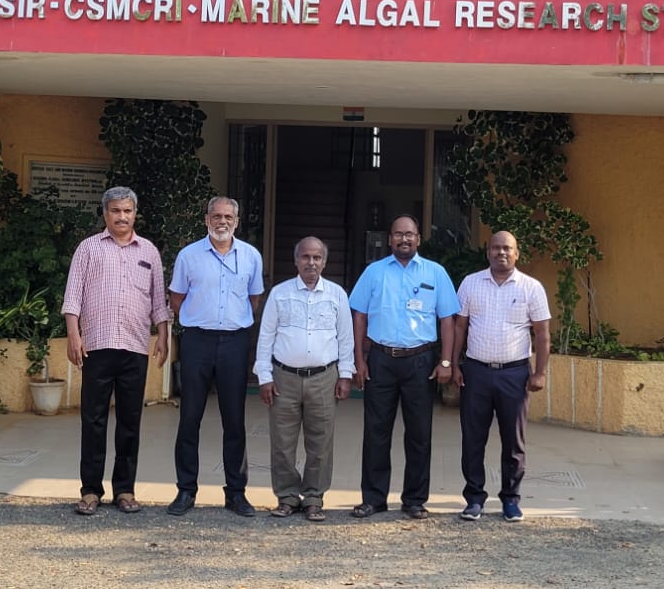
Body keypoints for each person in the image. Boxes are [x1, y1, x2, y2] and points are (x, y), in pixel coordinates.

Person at [62, 186, 170, 516]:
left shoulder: (149, 251)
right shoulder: (88, 248)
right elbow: (73, 296)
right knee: (93, 419)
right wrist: (73, 335)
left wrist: (164, 336)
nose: (122, 216)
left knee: (130, 421)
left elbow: (158, 300)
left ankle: (125, 489)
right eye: (115, 211)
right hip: (97, 346)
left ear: (135, 213)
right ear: (105, 213)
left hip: (135, 347)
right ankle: (90, 491)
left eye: (127, 211)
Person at [348, 214, 460, 520]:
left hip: (420, 362)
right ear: (390, 239)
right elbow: (358, 316)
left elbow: (447, 319)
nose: (404, 239)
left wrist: (446, 361)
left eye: (409, 234)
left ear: (418, 239)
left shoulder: (435, 273)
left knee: (419, 434)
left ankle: (414, 500)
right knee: (376, 431)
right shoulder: (374, 272)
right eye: (398, 234)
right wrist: (359, 360)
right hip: (381, 359)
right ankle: (373, 499)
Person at [163, 196, 264, 517]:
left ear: (237, 221)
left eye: (228, 217)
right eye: (216, 216)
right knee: (189, 417)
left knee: (234, 420)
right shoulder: (189, 256)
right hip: (197, 342)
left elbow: (253, 299)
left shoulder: (251, 256)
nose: (222, 222)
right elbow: (176, 299)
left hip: (235, 343)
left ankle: (236, 493)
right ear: (207, 219)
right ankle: (185, 490)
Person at [253, 236, 355, 522]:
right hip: (283, 378)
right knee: (282, 443)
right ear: (296, 260)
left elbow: (346, 339)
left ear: (324, 262)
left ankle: (313, 498)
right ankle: (287, 497)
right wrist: (264, 376)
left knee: (321, 443)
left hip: (324, 378)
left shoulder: (336, 295)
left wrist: (345, 375)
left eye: (317, 257)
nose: (311, 263)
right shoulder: (280, 293)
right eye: (306, 257)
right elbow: (266, 336)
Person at [452, 230, 551, 522]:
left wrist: (540, 372)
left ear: (517, 254)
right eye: (496, 248)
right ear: (488, 252)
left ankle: (510, 500)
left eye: (507, 248)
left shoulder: (531, 287)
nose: (501, 253)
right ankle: (474, 499)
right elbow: (459, 327)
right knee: (473, 439)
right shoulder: (470, 283)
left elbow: (542, 333)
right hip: (476, 372)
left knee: (513, 441)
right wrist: (454, 364)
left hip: (514, 375)